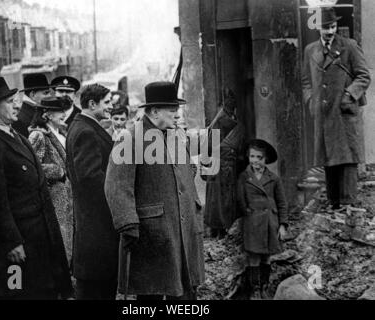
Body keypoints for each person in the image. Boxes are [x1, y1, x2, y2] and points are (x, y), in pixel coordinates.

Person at [0, 77, 72, 300]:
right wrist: (11, 242)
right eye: (10, 101)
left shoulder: (18, 137)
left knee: (40, 292)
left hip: (38, 239)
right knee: (16, 293)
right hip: (17, 249)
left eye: (15, 100)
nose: (17, 105)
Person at [105, 81, 205, 300]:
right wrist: (128, 223)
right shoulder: (130, 138)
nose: (176, 114)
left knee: (185, 291)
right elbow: (116, 185)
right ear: (154, 111)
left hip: (183, 228)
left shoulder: (175, 135)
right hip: (152, 233)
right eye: (172, 109)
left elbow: (188, 169)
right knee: (152, 291)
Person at [302, 7, 371, 210]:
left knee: (347, 158)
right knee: (328, 157)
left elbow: (363, 76)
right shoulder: (310, 50)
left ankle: (349, 204)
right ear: (318, 29)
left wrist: (349, 95)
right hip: (323, 115)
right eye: (325, 28)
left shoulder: (349, 46)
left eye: (332, 27)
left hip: (344, 113)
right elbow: (306, 80)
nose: (330, 31)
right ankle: (334, 204)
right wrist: (310, 101)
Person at [66, 83, 119, 300]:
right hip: (97, 227)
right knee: (96, 290)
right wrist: (117, 202)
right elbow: (90, 179)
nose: (111, 108)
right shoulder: (86, 131)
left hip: (93, 227)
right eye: (107, 103)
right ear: (91, 103)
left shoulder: (82, 126)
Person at [237, 139, 288, 300]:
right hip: (252, 223)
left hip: (269, 222)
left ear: (265, 160)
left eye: (259, 157)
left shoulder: (274, 178)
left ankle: (265, 287)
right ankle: (255, 290)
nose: (255, 161)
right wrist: (247, 212)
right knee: (253, 256)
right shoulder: (244, 177)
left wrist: (282, 225)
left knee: (266, 256)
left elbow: (282, 202)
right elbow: (240, 199)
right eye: (252, 156)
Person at [28, 97, 74, 264]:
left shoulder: (60, 132)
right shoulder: (38, 135)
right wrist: (59, 171)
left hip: (65, 195)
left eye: (64, 110)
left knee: (67, 237)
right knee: (58, 240)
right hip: (53, 195)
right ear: (46, 114)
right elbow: (32, 166)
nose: (63, 114)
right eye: (59, 111)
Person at [201, 89, 247, 239]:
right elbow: (211, 145)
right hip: (221, 166)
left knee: (220, 200)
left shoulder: (224, 118)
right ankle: (220, 231)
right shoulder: (223, 120)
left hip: (222, 165)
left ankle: (220, 230)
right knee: (221, 200)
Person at [12, 73, 53, 137]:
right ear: (33, 94)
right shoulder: (21, 119)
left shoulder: (31, 111)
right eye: (46, 93)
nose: (49, 96)